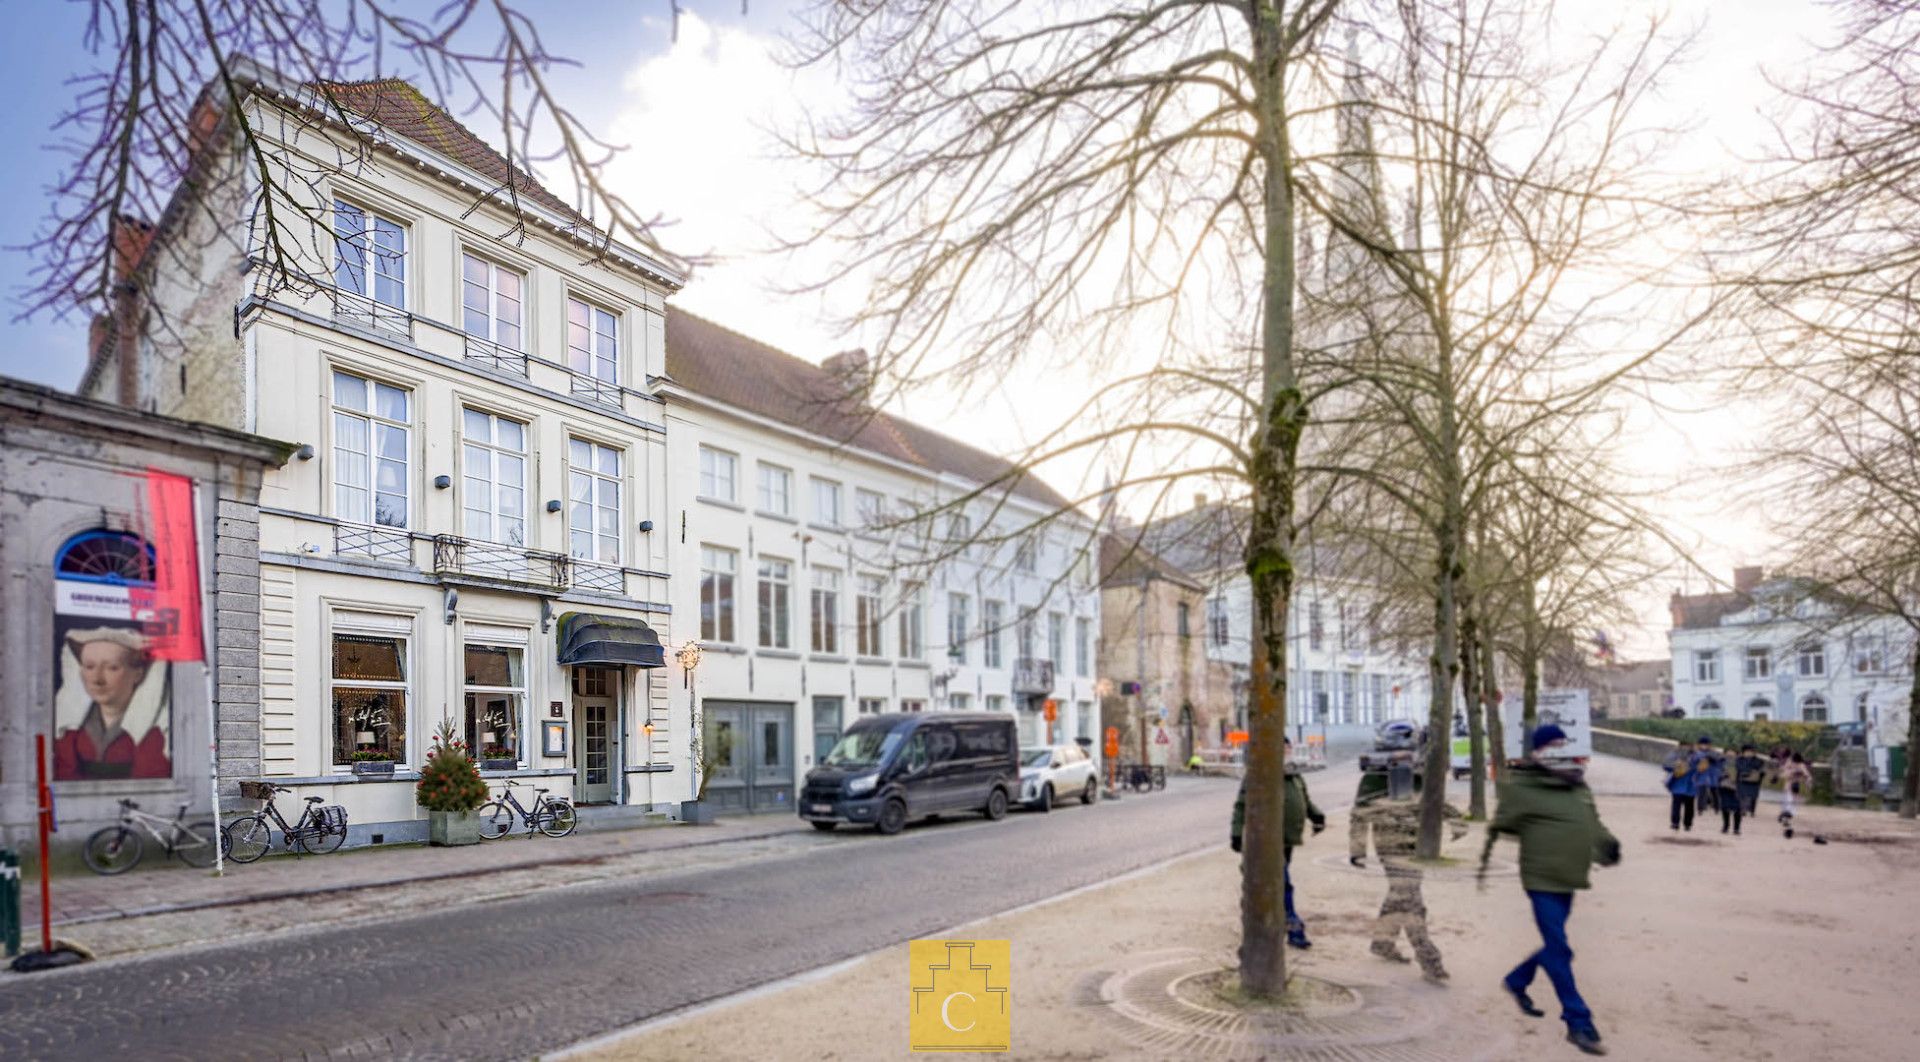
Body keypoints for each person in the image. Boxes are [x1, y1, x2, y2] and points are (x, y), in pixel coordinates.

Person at [1481, 724, 1621, 1057]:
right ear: (1537, 751)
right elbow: (1505, 823)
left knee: (1555, 947)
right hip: (1540, 879)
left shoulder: (1577, 785)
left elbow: (1592, 822)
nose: (1559, 749)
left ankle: (1517, 980)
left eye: (1562, 743)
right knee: (1559, 949)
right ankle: (1578, 1022)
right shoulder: (1523, 785)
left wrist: (1607, 845)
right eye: (1551, 745)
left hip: (1570, 876)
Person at [1352, 762, 1466, 982]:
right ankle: (1430, 960)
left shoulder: (1418, 770)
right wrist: (1357, 849)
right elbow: (1359, 814)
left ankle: (1382, 943)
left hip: (1416, 844)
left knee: (1400, 895)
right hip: (1389, 845)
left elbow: (1432, 798)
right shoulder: (1375, 774)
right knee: (1411, 900)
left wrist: (1455, 820)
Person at [1231, 735, 1327, 949]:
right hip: (1266, 841)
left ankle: (1262, 926)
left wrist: (1316, 816)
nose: (1286, 751)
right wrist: (1237, 833)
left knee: (1271, 887)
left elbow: (1305, 799)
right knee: (1282, 885)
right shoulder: (1258, 774)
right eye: (1282, 748)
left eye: (1288, 747)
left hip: (1288, 839)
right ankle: (1294, 930)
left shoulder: (1294, 774)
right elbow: (1241, 805)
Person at [53, 627, 170, 780]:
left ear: (138, 673)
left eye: (112, 668)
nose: (97, 679)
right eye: (89, 667)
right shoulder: (70, 727)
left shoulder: (153, 729)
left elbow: (150, 787)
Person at [1662, 740, 1696, 831]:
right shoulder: (1674, 755)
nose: (1686, 748)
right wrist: (1677, 766)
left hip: (1691, 785)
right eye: (1684, 746)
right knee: (1676, 805)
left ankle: (1687, 824)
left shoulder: (1695, 756)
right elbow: (1665, 765)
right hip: (1677, 784)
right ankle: (1675, 823)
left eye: (1688, 746)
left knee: (1689, 806)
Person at [1690, 736, 1722, 818]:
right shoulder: (1696, 753)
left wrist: (1710, 758)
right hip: (1702, 775)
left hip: (1712, 775)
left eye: (1706, 745)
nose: (1704, 746)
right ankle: (1700, 808)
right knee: (1701, 792)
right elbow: (1693, 763)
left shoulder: (1713, 752)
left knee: (1714, 792)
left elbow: (1718, 761)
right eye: (1702, 744)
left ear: (1709, 745)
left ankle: (1717, 807)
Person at [1733, 744, 1768, 817]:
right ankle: (1743, 810)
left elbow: (1762, 769)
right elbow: (1738, 768)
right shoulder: (1739, 760)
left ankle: (1752, 811)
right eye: (1747, 752)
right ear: (1743, 752)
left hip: (1754, 781)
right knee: (1742, 796)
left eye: (1751, 752)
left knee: (1752, 796)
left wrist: (1757, 773)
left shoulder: (1758, 760)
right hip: (1742, 780)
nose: (1749, 753)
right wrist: (1749, 770)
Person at [1778, 752, 1812, 827]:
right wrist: (1791, 772)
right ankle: (1784, 814)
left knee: (1792, 801)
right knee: (1787, 800)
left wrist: (1807, 781)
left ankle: (1787, 815)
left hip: (1795, 785)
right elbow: (1784, 773)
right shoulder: (1789, 762)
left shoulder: (1801, 765)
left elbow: (1807, 775)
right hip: (1788, 784)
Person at [1715, 750, 1743, 834]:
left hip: (1737, 788)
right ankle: (1726, 826)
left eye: (1732, 752)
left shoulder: (1740, 762)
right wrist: (1724, 775)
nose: (1730, 754)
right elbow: (1716, 773)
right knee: (1725, 807)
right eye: (1728, 752)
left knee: (1738, 808)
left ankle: (1736, 828)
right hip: (1724, 786)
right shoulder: (1720, 762)